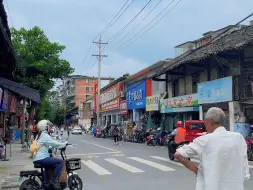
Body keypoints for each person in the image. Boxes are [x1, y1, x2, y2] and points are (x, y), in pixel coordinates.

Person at [174, 107, 250, 190]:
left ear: (209, 121)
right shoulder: (238, 138)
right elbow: (244, 162)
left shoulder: (204, 140)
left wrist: (197, 171)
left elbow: (178, 154)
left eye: (205, 122)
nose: (205, 126)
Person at [32, 120, 67, 189]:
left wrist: (50, 150)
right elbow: (54, 143)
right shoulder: (45, 135)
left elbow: (46, 145)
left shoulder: (39, 135)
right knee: (60, 162)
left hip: (37, 158)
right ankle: (53, 181)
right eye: (49, 127)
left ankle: (46, 183)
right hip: (41, 158)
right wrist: (63, 144)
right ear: (45, 127)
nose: (50, 128)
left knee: (48, 167)